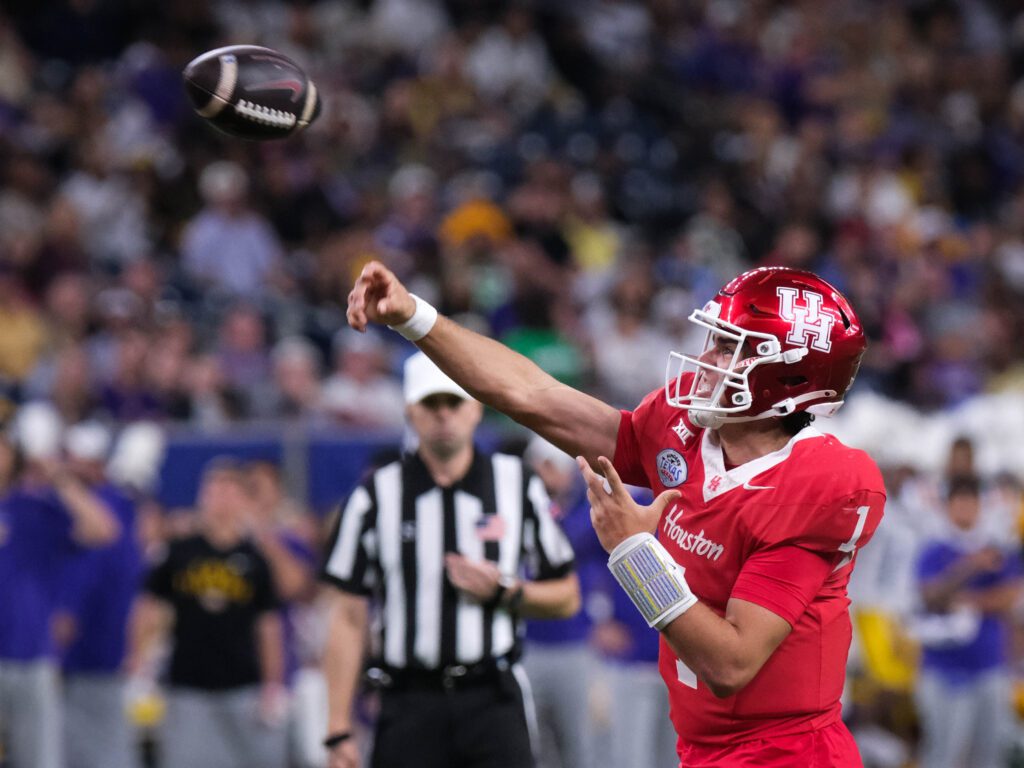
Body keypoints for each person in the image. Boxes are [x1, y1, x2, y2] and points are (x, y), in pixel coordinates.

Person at [347, 261, 886, 766]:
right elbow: (533, 395)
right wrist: (415, 316)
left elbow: (731, 663)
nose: (708, 358)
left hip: (787, 754)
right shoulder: (687, 432)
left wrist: (634, 553)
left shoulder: (817, 486)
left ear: (789, 379)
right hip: (703, 746)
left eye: (731, 347)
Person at [321, 351, 580, 768]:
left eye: (453, 402)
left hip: (491, 696)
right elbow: (348, 616)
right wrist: (337, 728)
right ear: (411, 411)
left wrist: (505, 593)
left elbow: (567, 596)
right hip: (408, 700)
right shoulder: (375, 496)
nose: (444, 415)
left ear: (475, 408)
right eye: (431, 404)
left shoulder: (517, 485)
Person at [127, 457, 287, 768]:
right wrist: (138, 659)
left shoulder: (255, 558)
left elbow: (268, 624)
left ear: (243, 500)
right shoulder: (178, 551)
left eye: (229, 490)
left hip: (242, 682)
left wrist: (273, 681)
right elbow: (149, 607)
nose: (221, 499)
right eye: (214, 489)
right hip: (187, 682)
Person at [912, 475, 1022, 768]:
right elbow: (930, 596)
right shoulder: (935, 549)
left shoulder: (996, 548)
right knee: (944, 753)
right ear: (948, 507)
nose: (965, 509)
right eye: (959, 502)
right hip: (944, 668)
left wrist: (965, 599)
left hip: (989, 665)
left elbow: (1009, 596)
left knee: (989, 753)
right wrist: (971, 566)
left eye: (971, 502)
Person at [55, 422, 144, 768]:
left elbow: (97, 570)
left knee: (102, 746)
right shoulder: (74, 502)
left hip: (98, 643)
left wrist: (66, 610)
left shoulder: (113, 504)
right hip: (70, 649)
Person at [521, 436, 605, 768]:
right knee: (531, 748)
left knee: (581, 747)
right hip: (527, 644)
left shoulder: (588, 513)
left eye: (548, 466)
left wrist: (607, 619)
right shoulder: (518, 509)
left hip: (577, 645)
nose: (542, 474)